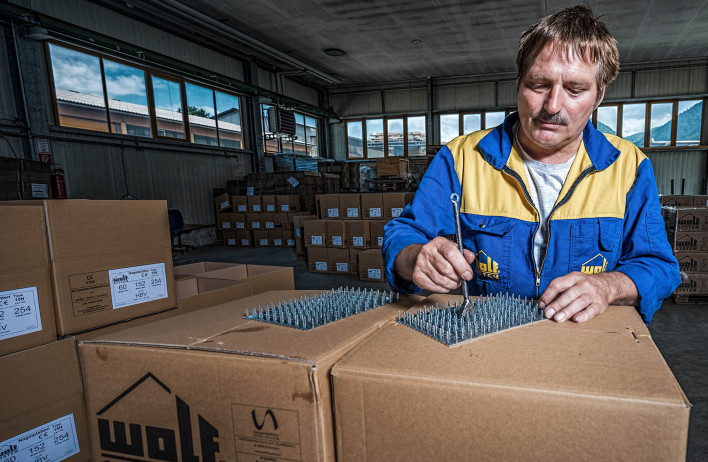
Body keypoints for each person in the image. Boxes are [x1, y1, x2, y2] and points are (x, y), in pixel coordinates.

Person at [383, 5, 680, 324]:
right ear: (519, 83)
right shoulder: (462, 157)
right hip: (488, 335)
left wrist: (608, 285)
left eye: (575, 89)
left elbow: (658, 266)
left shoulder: (629, 166)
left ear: (599, 95)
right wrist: (415, 257)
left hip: (587, 343)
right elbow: (404, 232)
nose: (553, 106)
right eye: (538, 84)